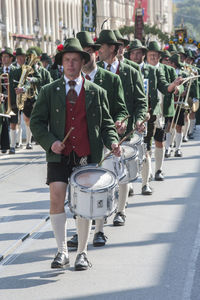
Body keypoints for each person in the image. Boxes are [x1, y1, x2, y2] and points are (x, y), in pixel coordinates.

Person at [30, 38, 121, 271]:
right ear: (62, 63)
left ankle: (82, 252)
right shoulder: (49, 91)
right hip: (59, 155)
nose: (70, 64)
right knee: (56, 197)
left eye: (75, 60)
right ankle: (61, 251)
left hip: (85, 155)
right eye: (67, 60)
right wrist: (51, 143)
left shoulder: (97, 92)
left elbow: (107, 124)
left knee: (84, 204)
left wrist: (112, 141)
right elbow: (37, 123)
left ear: (83, 62)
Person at [97, 29, 147, 225]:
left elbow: (141, 102)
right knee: (102, 172)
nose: (98, 50)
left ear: (114, 48)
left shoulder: (131, 71)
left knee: (122, 170)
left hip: (124, 132)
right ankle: (101, 212)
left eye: (101, 46)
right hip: (101, 130)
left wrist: (138, 120)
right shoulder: (96, 71)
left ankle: (121, 210)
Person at [128, 39, 183, 194]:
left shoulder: (152, 71)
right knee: (129, 150)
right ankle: (129, 183)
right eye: (133, 53)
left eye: (139, 52)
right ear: (129, 55)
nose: (136, 55)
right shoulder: (124, 70)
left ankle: (146, 182)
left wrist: (173, 86)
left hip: (150, 115)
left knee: (146, 147)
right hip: (128, 117)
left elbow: (165, 87)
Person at [0, 47, 16, 154]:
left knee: (13, 124)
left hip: (13, 101)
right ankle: (4, 145)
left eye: (6, 57)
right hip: (2, 102)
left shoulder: (17, 70)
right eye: (2, 57)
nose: (3, 59)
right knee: (3, 123)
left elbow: (22, 83)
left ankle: (13, 145)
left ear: (11, 58)